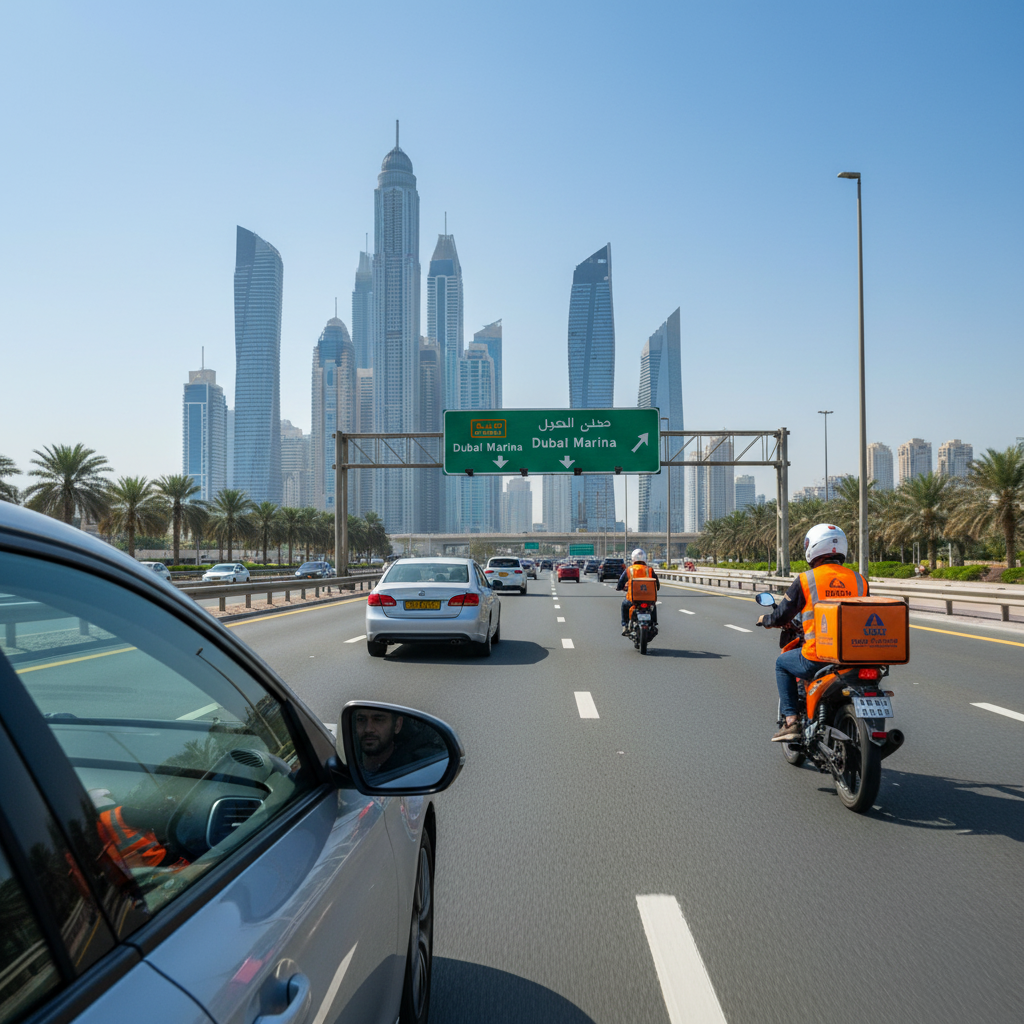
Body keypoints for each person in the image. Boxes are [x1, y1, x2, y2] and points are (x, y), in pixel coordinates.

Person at [757, 523, 869, 742]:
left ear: (813, 548)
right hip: (855, 656)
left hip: (819, 655)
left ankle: (791, 722)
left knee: (782, 664)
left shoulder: (806, 579)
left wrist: (767, 620)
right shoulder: (859, 580)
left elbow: (782, 615)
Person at [354, 707, 415, 775]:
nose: (368, 729)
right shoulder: (350, 759)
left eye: (378, 720)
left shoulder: (407, 768)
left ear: (397, 725)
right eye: (361, 719)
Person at [617, 548, 660, 637]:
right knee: (653, 606)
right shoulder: (649, 570)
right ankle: (654, 624)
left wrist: (619, 588)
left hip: (633, 599)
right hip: (648, 599)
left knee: (624, 605)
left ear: (633, 559)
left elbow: (621, 582)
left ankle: (625, 626)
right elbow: (657, 584)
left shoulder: (629, 570)